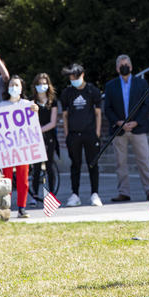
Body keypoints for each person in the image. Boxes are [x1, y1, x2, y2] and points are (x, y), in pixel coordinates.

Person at [103, 55, 149, 202]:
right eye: (121, 65)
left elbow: (146, 105)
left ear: (131, 67)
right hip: (119, 129)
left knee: (144, 160)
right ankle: (123, 192)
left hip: (138, 128)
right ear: (117, 68)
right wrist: (119, 122)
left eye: (126, 64)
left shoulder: (142, 83)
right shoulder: (110, 86)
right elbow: (108, 108)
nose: (124, 67)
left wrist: (136, 122)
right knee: (120, 162)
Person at [0, 75, 36, 218]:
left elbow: (33, 123)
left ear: (22, 88)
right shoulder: (2, 105)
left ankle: (22, 208)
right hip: (8, 148)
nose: (14, 88)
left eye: (17, 85)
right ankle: (7, 207)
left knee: (23, 179)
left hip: (22, 147)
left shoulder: (26, 104)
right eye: (11, 85)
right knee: (7, 178)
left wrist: (35, 110)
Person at [61, 63, 103, 207]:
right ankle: (75, 194)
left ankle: (95, 194)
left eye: (75, 77)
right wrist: (67, 134)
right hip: (73, 134)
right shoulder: (67, 93)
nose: (73, 80)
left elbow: (98, 113)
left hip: (90, 133)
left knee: (93, 164)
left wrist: (97, 132)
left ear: (82, 75)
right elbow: (65, 116)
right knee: (75, 165)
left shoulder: (92, 91)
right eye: (71, 77)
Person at [30, 73, 59, 195]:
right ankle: (35, 194)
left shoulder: (53, 102)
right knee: (36, 168)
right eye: (39, 84)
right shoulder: (32, 102)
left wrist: (40, 129)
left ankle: (51, 193)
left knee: (49, 166)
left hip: (49, 137)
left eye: (44, 83)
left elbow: (53, 122)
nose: (42, 86)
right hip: (35, 138)